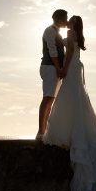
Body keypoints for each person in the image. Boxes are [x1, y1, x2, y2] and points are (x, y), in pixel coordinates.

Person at [43, 15, 96, 191]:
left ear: (73, 23)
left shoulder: (71, 33)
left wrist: (63, 69)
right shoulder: (75, 34)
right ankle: (73, 131)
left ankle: (69, 132)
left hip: (71, 68)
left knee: (69, 98)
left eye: (71, 19)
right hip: (74, 68)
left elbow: (70, 51)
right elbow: (71, 49)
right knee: (74, 99)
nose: (69, 21)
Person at [36, 9, 68, 140]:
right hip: (49, 67)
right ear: (60, 20)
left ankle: (45, 130)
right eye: (65, 19)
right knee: (47, 98)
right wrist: (58, 68)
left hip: (53, 67)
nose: (66, 21)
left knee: (50, 98)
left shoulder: (57, 32)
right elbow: (52, 51)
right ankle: (41, 131)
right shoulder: (50, 31)